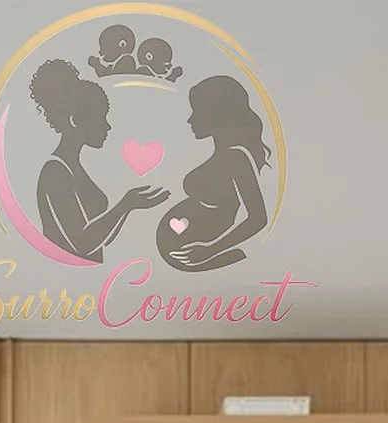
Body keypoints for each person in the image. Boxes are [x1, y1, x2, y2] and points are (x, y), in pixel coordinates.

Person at [26, 56, 169, 262]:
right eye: (101, 118)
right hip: (68, 277)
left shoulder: (72, 167)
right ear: (75, 121)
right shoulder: (55, 172)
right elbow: (82, 244)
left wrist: (128, 207)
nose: (107, 126)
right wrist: (126, 205)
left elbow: (100, 239)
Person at [156, 74, 272, 273]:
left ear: (217, 115)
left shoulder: (236, 158)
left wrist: (210, 250)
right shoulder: (225, 155)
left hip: (200, 252)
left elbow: (258, 218)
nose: (190, 119)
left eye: (196, 112)